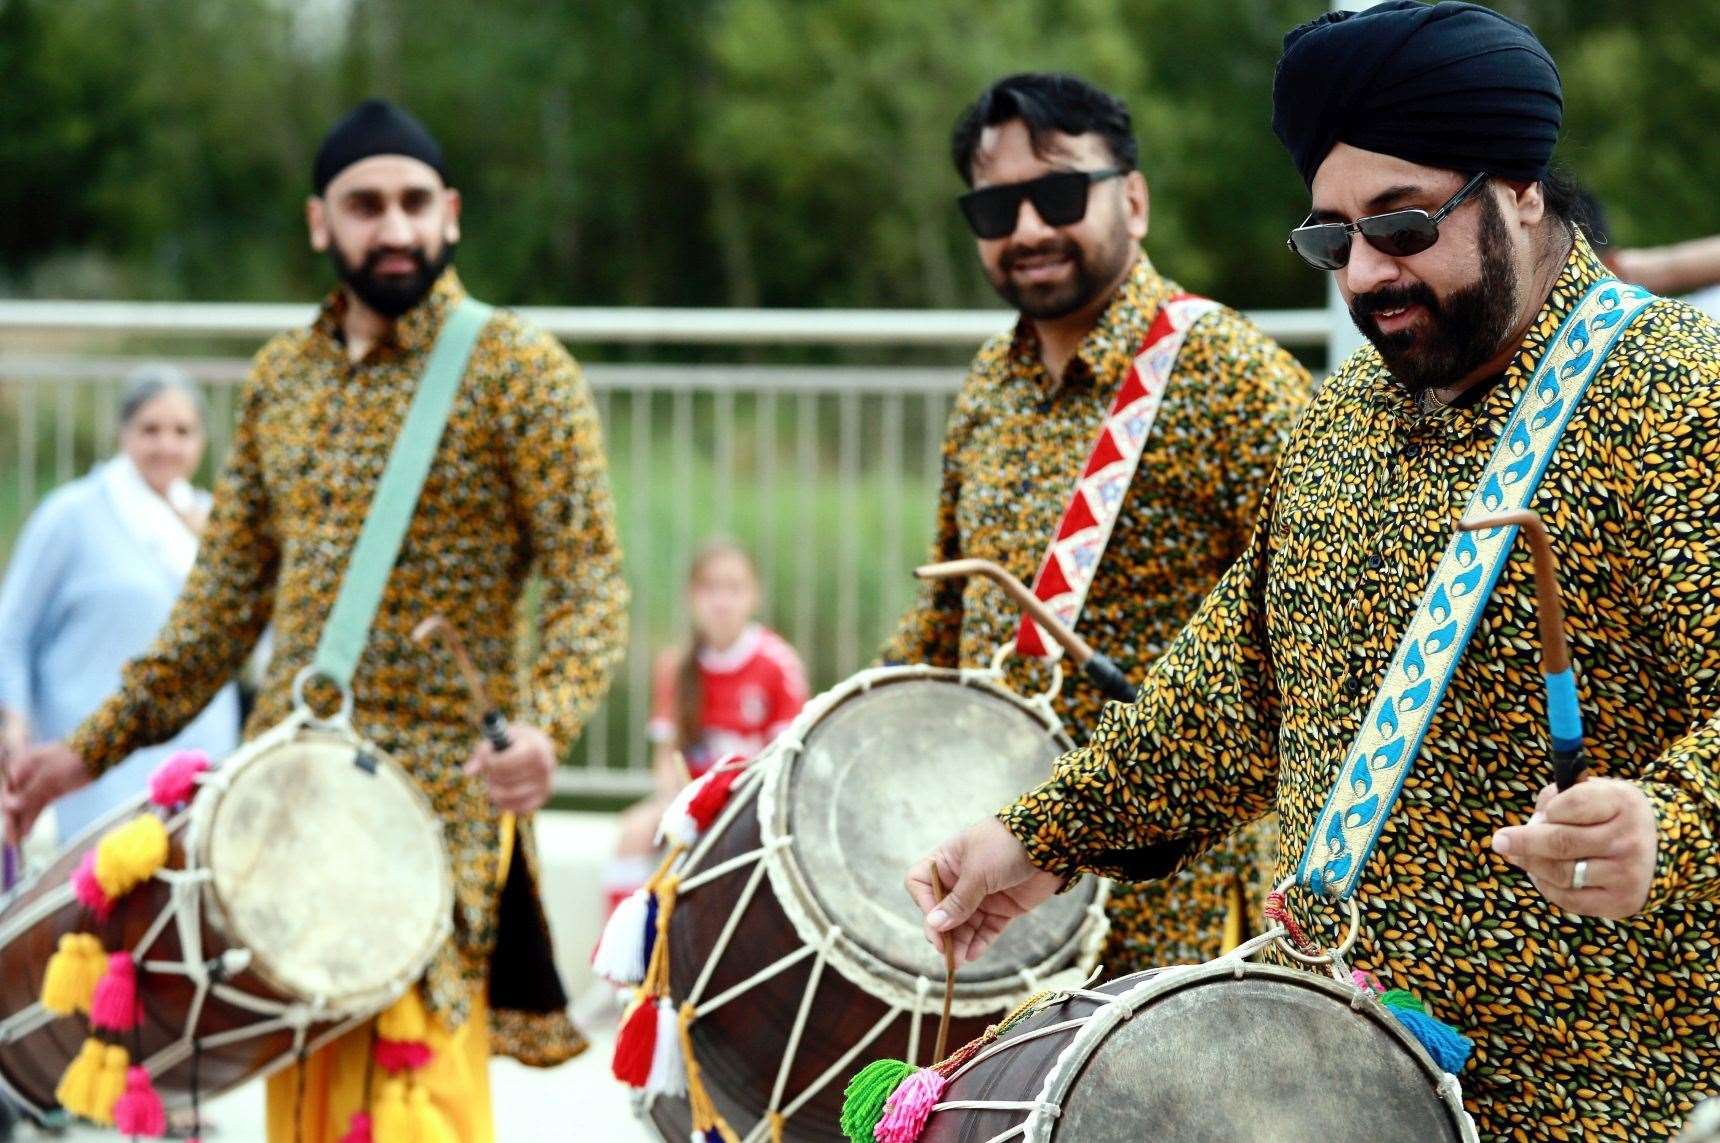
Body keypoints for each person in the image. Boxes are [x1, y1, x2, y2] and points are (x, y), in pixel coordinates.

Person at [907, 4, 1717, 1137]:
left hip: (1600, 1093)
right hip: (1319, 1072)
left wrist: (1664, 827)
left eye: (1401, 224)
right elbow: (1231, 694)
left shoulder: (1678, 396)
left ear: (1522, 191)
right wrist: (1042, 836)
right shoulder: (1339, 426)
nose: (1368, 274)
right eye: (1334, 239)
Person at [1, 98, 629, 1142]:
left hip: (438, 809)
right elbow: (217, 607)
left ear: (452, 215)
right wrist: (85, 753)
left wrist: (546, 726)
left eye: (414, 203)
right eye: (366, 204)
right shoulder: (278, 381)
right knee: (303, 1113)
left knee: (412, 1107)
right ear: (318, 223)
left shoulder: (520, 370)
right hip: (283, 807)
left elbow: (589, 582)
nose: (394, 226)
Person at [881, 72, 1309, 971]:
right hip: (994, 897)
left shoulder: (1229, 373)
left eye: (1060, 193)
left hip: (1177, 912)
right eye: (996, 208)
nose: (1028, 229)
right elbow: (945, 625)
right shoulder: (987, 387)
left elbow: (1322, 638)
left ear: (1136, 200)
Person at [0, 366, 240, 843]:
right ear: (124, 433)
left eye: (182, 432)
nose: (166, 446)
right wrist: (14, 719)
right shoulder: (72, 515)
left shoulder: (216, 521)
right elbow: (14, 627)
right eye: (150, 430)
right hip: (95, 752)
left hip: (198, 751)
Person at [605, 540, 806, 913]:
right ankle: (623, 963)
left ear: (754, 595)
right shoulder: (677, 664)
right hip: (690, 799)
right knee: (633, 832)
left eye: (734, 588)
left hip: (751, 805)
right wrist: (675, 805)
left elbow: (786, 762)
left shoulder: (777, 663)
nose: (722, 601)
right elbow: (667, 756)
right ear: (692, 597)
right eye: (710, 588)